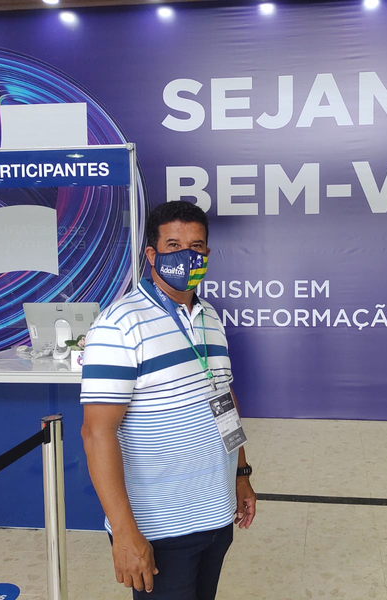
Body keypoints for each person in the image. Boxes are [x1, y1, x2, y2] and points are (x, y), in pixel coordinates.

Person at [80, 201, 256, 599]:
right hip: (159, 527)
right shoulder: (119, 325)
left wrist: (241, 474)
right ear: (151, 254)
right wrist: (124, 532)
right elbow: (96, 433)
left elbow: (223, 400)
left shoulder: (210, 317)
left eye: (197, 246)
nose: (187, 255)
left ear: (207, 253)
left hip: (215, 514)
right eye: (173, 245)